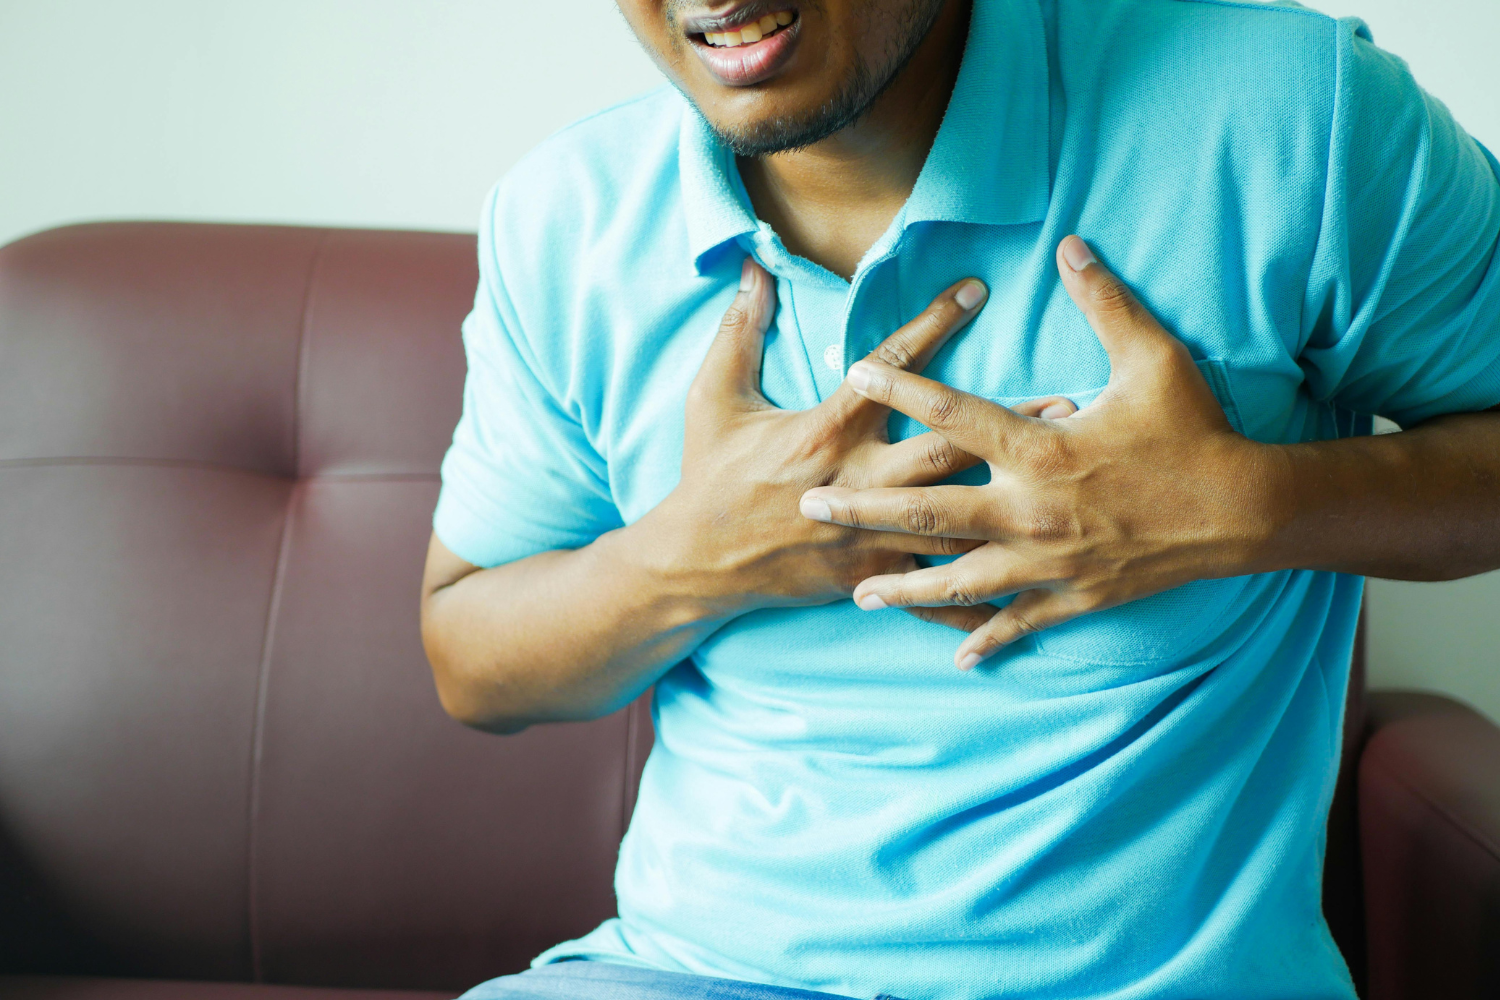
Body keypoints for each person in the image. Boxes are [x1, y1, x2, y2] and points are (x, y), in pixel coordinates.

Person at [419, 0, 1500, 996]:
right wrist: (693, 557)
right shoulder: (559, 217)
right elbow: (470, 656)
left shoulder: (1294, 110)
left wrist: (1249, 507)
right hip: (682, 971)